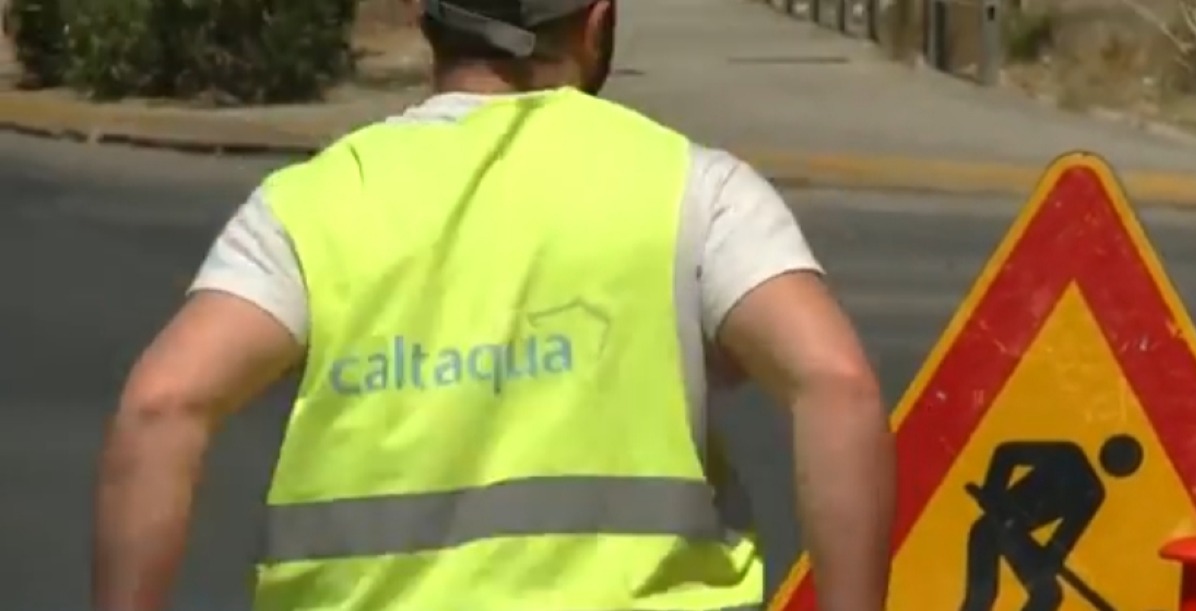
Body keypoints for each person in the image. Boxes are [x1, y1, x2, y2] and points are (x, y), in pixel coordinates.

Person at [90, 0, 895, 609]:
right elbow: (837, 385)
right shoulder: (692, 188)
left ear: (424, 18)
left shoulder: (317, 201)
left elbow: (163, 405)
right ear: (597, 22)